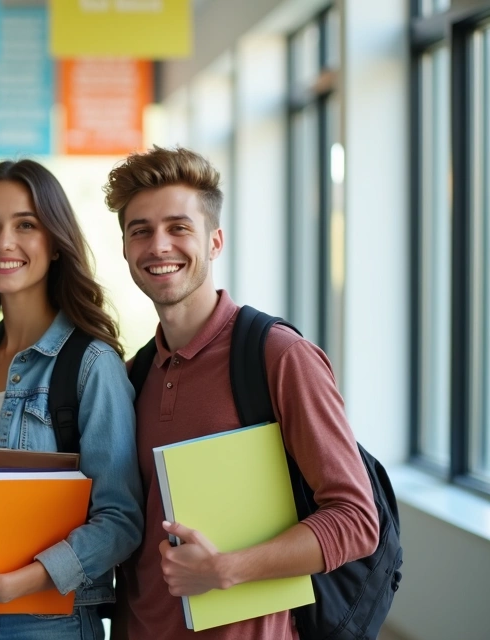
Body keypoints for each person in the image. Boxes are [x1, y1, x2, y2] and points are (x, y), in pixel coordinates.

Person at [107, 145, 378, 639]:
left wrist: (227, 569)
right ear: (124, 248)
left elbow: (356, 520)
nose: (159, 245)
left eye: (178, 227)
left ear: (215, 241)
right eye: (140, 231)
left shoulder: (279, 356)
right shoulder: (132, 376)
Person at [0, 159, 144, 640]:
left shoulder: (92, 364)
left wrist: (10, 587)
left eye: (25, 224)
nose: (4, 242)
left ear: (55, 243)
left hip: (48, 621)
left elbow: (121, 520)